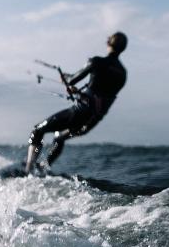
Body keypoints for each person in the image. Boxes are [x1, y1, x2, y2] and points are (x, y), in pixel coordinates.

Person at [25, 32, 128, 174]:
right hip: (91, 122)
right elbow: (101, 93)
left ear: (108, 43)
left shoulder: (96, 62)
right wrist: (80, 92)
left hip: (80, 112)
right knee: (59, 137)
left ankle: (28, 170)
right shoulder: (123, 74)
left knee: (37, 130)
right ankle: (43, 168)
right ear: (123, 49)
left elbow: (72, 80)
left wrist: (66, 79)